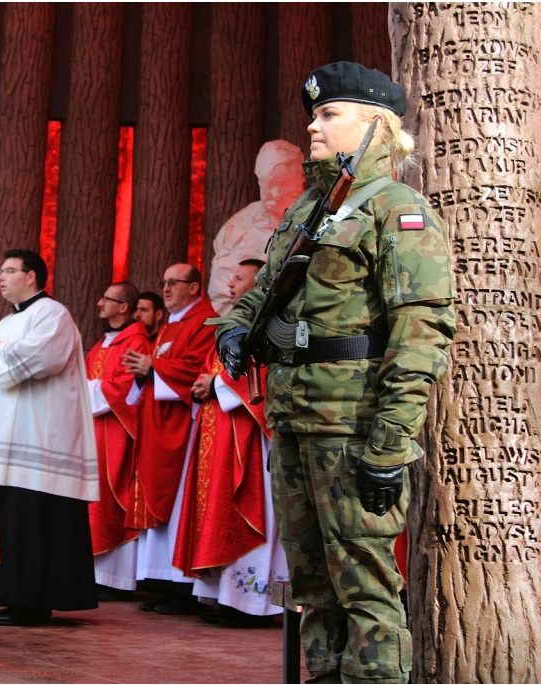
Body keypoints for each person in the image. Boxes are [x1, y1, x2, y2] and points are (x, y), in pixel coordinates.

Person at [216, 62, 454, 682]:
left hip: (352, 430)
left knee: (366, 592)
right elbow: (257, 292)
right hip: (293, 422)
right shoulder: (306, 212)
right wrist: (235, 328)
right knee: (313, 589)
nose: (312, 125)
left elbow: (420, 332)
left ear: (376, 125)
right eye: (314, 114)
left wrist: (390, 445)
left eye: (328, 115)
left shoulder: (398, 211)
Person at [0, 249, 99, 626]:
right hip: (5, 440)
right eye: (0, 270)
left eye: (10, 270)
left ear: (32, 277)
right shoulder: (4, 322)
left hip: (39, 440)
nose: (1, 276)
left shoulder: (52, 313)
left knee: (33, 521)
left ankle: (33, 600)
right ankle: (13, 595)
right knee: (12, 519)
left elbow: (43, 358)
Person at [175, 259, 289, 628]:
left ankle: (251, 602)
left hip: (247, 437)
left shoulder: (271, 317)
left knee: (248, 504)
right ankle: (222, 595)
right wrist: (203, 384)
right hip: (219, 433)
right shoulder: (231, 323)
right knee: (216, 508)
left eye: (240, 277)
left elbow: (268, 369)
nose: (232, 282)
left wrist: (217, 385)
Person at [122, 264, 217, 613]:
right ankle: (163, 582)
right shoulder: (172, 325)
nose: (165, 288)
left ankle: (183, 587)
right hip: (160, 422)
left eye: (173, 283)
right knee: (164, 503)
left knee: (179, 503)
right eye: (163, 282)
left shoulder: (205, 321)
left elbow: (197, 367)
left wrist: (153, 368)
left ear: (194, 288)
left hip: (183, 425)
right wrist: (144, 369)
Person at [85, 282, 151, 599]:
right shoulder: (102, 343)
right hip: (94, 432)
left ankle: (116, 579)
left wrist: (82, 392)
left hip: (117, 433)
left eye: (106, 299)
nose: (100, 303)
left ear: (123, 307)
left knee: (113, 495)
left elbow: (127, 389)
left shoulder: (136, 342)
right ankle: (92, 573)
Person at [207, 140, 306, 315]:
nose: (273, 193)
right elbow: (221, 291)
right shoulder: (239, 225)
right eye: (268, 183)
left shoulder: (316, 217)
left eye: (281, 184)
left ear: (300, 179)